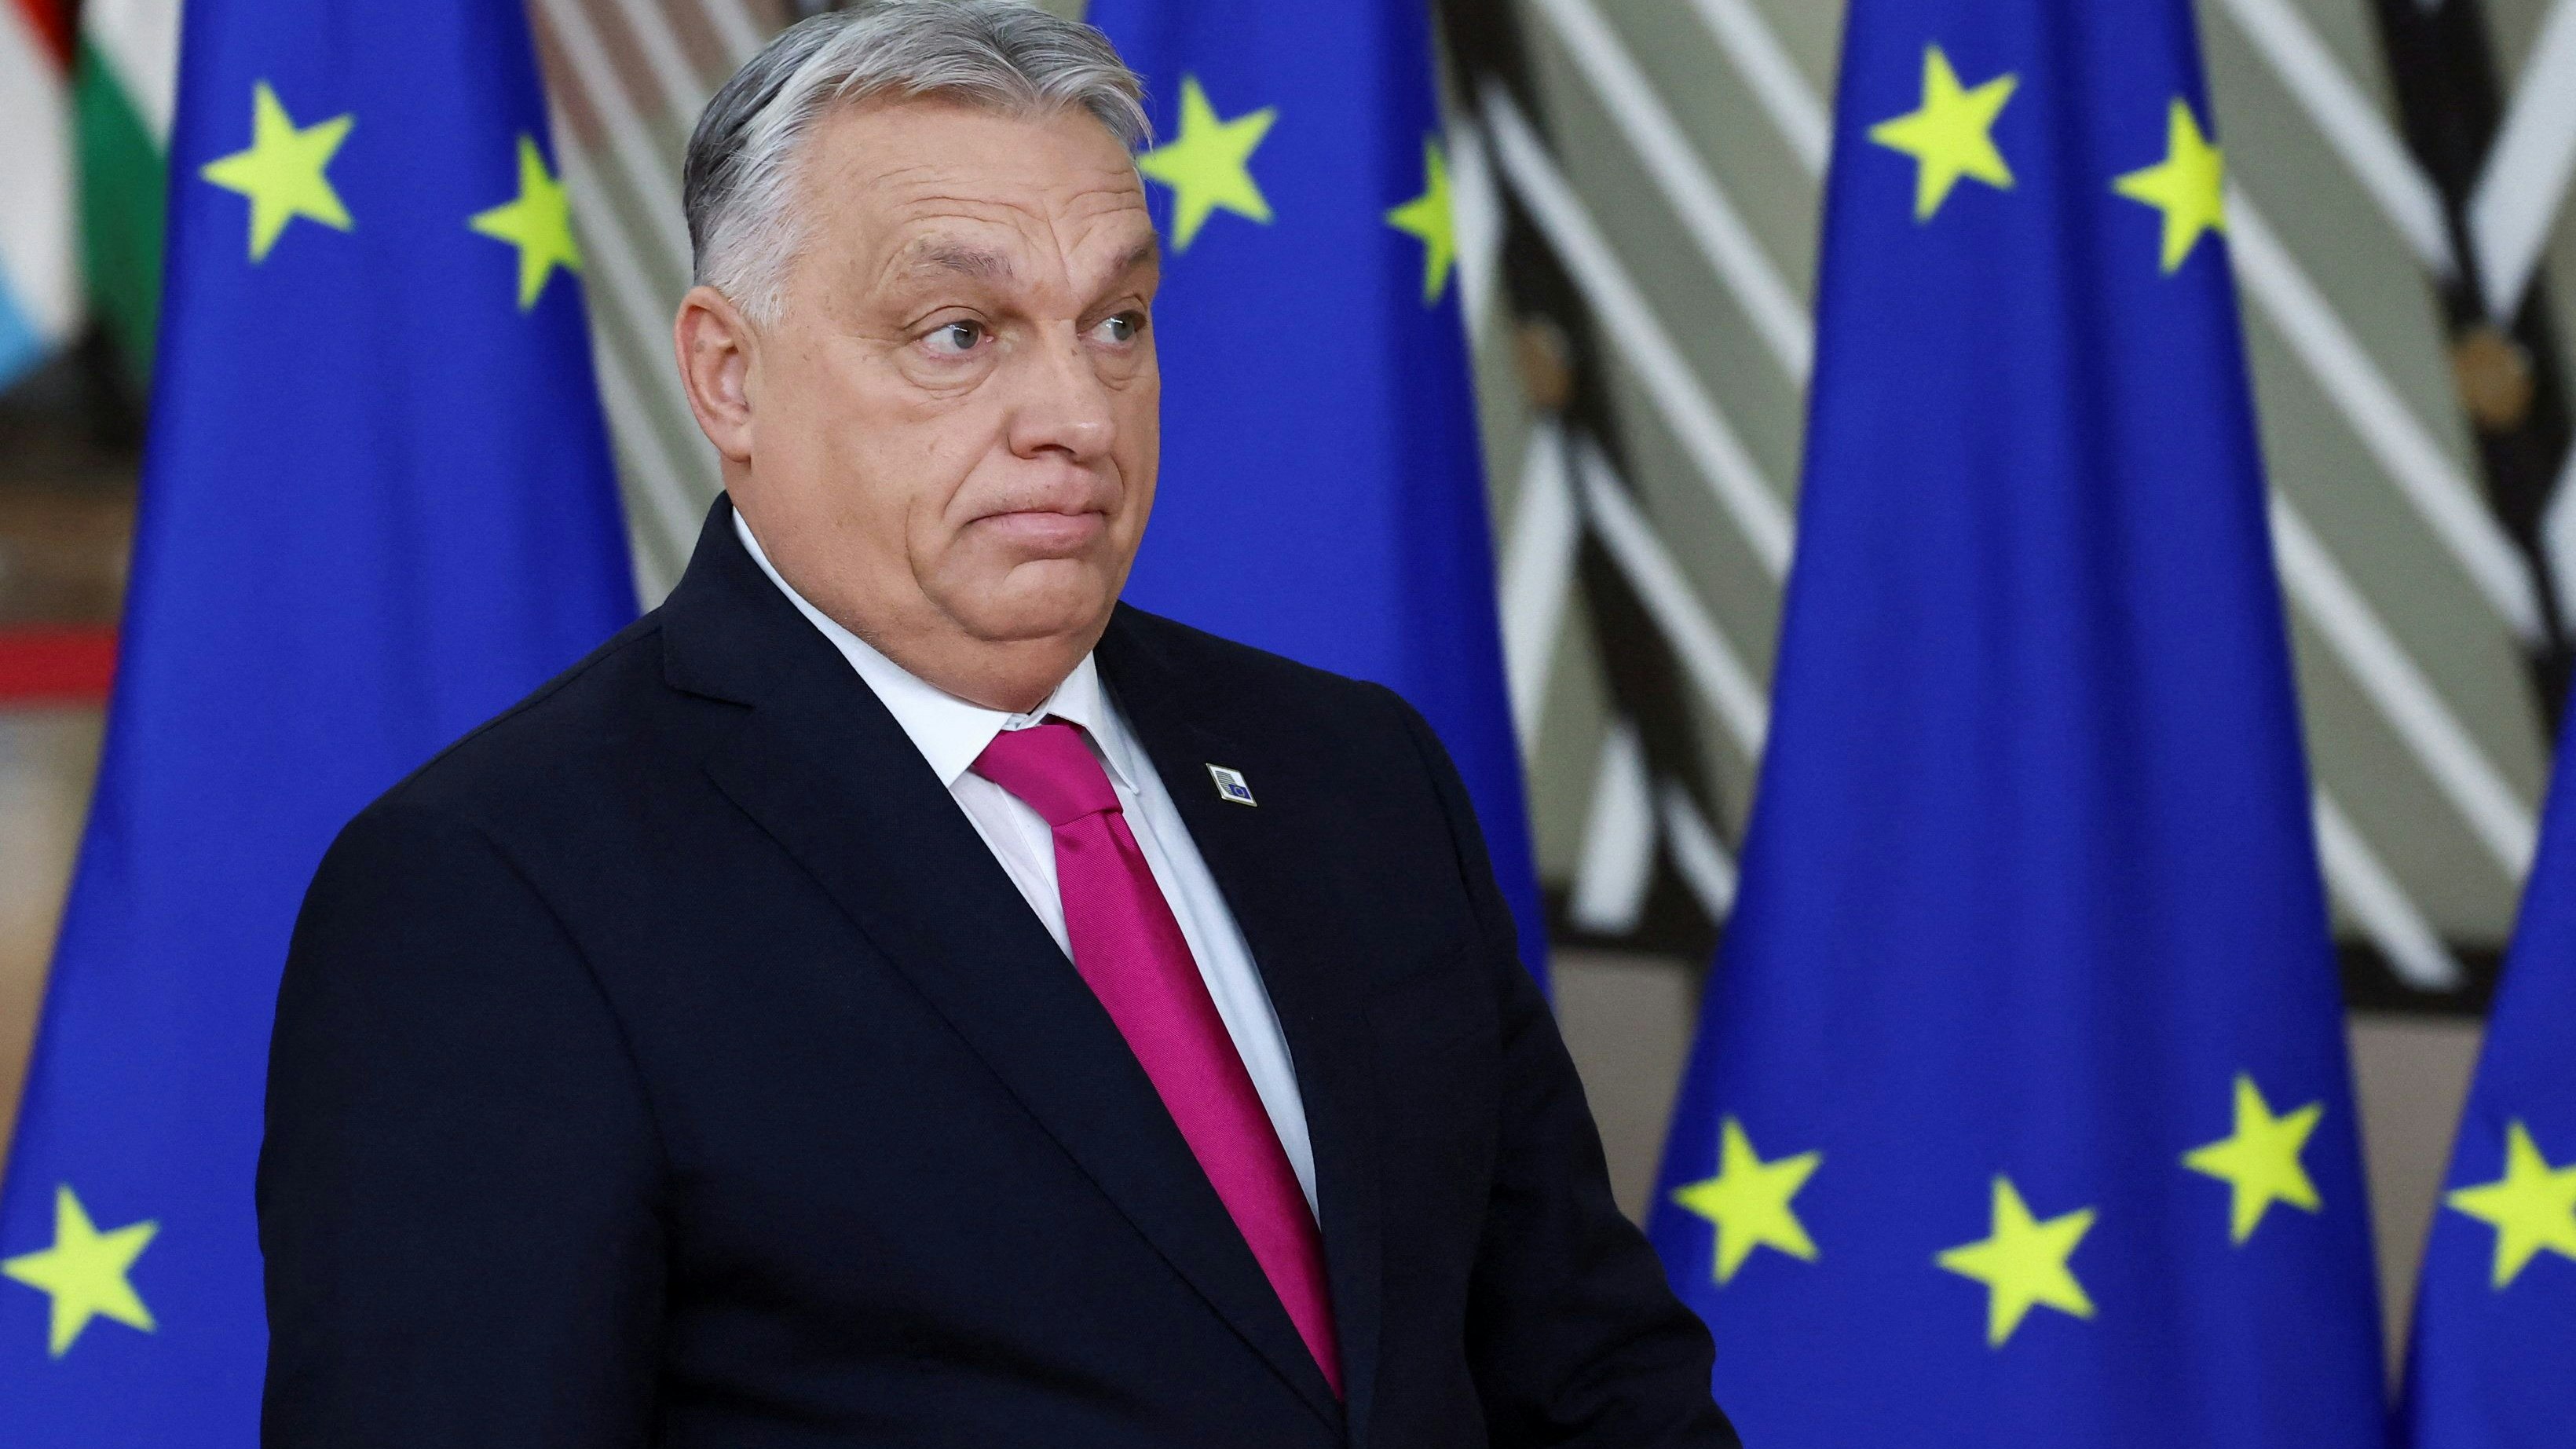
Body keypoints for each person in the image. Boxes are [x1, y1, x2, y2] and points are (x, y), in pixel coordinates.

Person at [256, 3, 1737, 1444]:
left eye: (1117, 320)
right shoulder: (498, 889)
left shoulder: (1354, 774)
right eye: (961, 331)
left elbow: (1596, 1382)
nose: (1079, 414)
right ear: (727, 374)